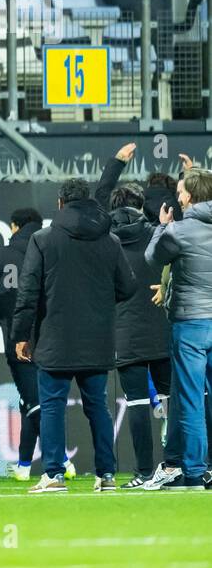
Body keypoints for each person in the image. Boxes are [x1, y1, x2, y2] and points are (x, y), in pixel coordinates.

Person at [13, 177, 137, 494]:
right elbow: (127, 287)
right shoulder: (109, 241)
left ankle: (54, 475)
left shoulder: (43, 240)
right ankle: (107, 475)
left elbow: (27, 292)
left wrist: (21, 334)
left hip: (54, 338)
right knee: (97, 407)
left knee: (52, 406)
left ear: (60, 204)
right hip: (96, 339)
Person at [143, 167, 212, 490]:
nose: (179, 196)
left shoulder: (180, 230)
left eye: (183, 191)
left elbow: (152, 257)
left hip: (191, 325)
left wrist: (162, 227)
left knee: (190, 400)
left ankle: (196, 472)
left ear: (192, 196)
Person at [0, 205, 45, 481]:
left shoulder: (4, 254)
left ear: (15, 227)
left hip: (18, 341)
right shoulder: (48, 250)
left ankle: (59, 462)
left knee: (35, 402)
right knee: (32, 401)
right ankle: (25, 465)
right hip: (51, 338)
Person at [109, 183, 172, 488]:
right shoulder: (157, 233)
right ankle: (179, 465)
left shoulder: (107, 242)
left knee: (135, 404)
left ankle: (143, 472)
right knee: (174, 402)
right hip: (162, 329)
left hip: (125, 334)